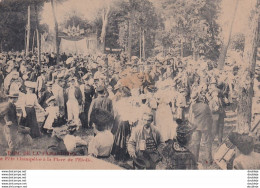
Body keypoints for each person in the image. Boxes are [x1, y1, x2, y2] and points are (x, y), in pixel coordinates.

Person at [188, 89, 213, 167]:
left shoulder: (193, 106)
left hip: (196, 127)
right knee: (207, 143)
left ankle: (195, 160)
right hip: (205, 127)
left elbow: (190, 118)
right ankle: (208, 161)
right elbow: (211, 117)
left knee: (196, 144)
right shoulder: (206, 106)